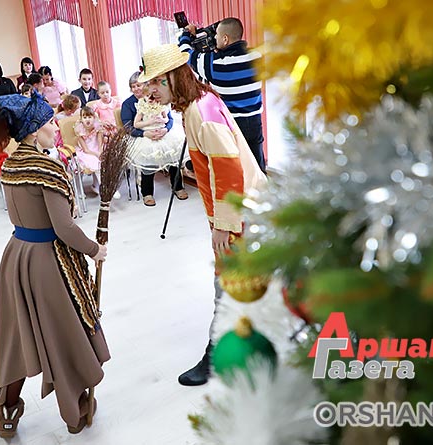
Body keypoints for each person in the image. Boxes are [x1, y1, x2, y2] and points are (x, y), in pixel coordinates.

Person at [139, 44, 267, 386]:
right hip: (243, 207)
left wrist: (223, 225)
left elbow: (227, 171)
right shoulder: (196, 104)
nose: (149, 91)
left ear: (172, 78)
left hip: (241, 210)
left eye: (154, 82)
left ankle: (216, 356)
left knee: (226, 285)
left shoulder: (200, 112)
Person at [0, 92, 109, 437]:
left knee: (16, 337)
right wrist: (94, 250)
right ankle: (76, 411)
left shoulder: (11, 164)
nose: (56, 127)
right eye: (50, 123)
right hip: (46, 262)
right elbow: (63, 228)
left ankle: (6, 408)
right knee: (62, 335)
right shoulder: (47, 168)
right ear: (33, 130)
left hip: (15, 257)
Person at [179, 17, 266, 171]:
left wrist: (186, 34)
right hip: (254, 121)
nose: (214, 39)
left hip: (231, 124)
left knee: (234, 168)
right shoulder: (258, 56)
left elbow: (185, 54)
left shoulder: (214, 64)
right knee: (257, 166)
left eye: (217, 36)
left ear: (225, 39)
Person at [120, 72, 186, 206]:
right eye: (133, 86)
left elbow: (169, 119)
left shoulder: (158, 99)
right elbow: (128, 126)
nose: (137, 89)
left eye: (139, 85)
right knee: (147, 158)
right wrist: (145, 133)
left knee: (173, 155)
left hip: (162, 132)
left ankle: (178, 187)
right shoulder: (128, 104)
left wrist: (165, 129)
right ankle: (147, 193)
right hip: (141, 135)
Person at [73, 106, 103, 194]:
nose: (87, 120)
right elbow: (85, 149)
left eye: (90, 117)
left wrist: (100, 152)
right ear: (81, 119)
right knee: (95, 161)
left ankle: (97, 185)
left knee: (105, 159)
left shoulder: (97, 127)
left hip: (96, 148)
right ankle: (103, 186)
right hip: (86, 152)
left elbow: (100, 143)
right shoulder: (79, 130)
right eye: (85, 117)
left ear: (94, 118)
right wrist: (96, 154)